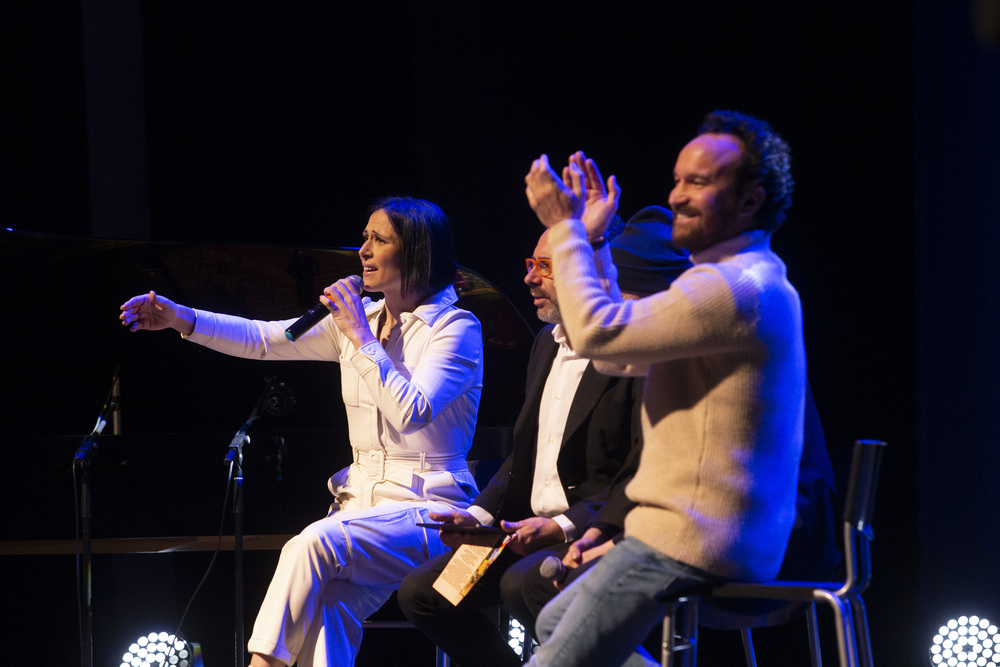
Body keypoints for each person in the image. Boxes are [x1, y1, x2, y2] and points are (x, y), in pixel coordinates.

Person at [119, 196, 484, 667]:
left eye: (379, 240)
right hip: (362, 508)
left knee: (313, 542)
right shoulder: (364, 323)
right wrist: (182, 319)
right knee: (328, 606)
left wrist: (361, 337)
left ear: (415, 251)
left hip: (433, 515)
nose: (364, 251)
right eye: (364, 238)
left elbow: (412, 411)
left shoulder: (455, 328)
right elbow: (265, 340)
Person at [520, 110, 805, 667]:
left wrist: (567, 231)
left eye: (698, 182)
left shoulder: (732, 287)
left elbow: (600, 335)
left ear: (750, 201)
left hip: (695, 536)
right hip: (694, 531)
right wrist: (595, 240)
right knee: (553, 618)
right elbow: (622, 358)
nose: (676, 196)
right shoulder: (741, 280)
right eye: (677, 179)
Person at [396, 209, 691, 667]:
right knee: (427, 592)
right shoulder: (546, 344)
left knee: (522, 584)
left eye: (545, 267)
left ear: (589, 272)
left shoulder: (635, 352)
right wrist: (477, 515)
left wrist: (563, 525)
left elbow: (638, 470)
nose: (529, 278)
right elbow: (524, 455)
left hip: (586, 530)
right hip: (516, 534)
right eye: (531, 264)